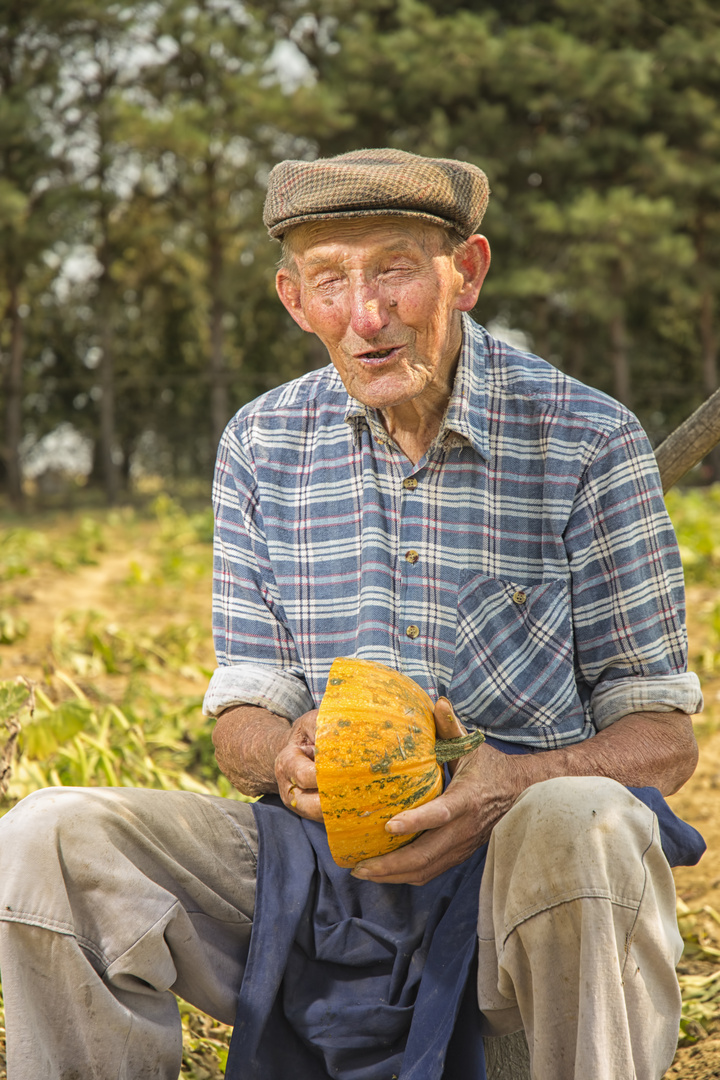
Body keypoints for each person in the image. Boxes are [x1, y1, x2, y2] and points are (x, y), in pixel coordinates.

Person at [0, 148, 705, 1080]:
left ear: (469, 272)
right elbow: (245, 706)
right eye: (331, 280)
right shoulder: (259, 443)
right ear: (293, 299)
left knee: (584, 817)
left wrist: (514, 780)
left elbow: (663, 738)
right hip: (316, 874)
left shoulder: (587, 441)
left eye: (396, 271)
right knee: (49, 836)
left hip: (514, 889)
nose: (365, 317)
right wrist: (282, 752)